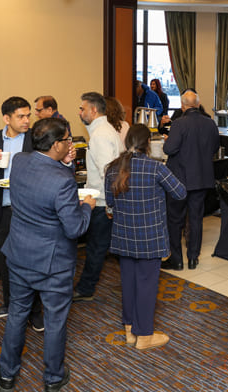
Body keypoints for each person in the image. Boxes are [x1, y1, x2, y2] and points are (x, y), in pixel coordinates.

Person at [0, 118, 94, 392]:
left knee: (17, 314)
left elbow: (43, 184)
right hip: (53, 263)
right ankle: (53, 379)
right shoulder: (62, 181)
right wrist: (87, 207)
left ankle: (7, 373)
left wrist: (66, 165)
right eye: (67, 140)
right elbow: (75, 228)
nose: (70, 144)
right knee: (55, 320)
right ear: (56, 144)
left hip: (19, 254)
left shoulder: (20, 161)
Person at [106, 124, 186, 350]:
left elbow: (110, 203)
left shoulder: (113, 168)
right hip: (149, 237)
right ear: (148, 144)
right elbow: (180, 192)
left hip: (123, 236)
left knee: (128, 283)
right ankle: (144, 336)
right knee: (147, 285)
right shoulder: (156, 167)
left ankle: (129, 330)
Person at [0, 96, 41, 327]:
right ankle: (10, 304)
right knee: (5, 262)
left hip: (28, 212)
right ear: (6, 118)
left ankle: (35, 311)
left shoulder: (34, 138)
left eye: (28, 115)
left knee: (30, 263)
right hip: (1, 211)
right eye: (21, 116)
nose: (26, 120)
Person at [73, 92, 124, 301]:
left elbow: (108, 173)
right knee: (107, 246)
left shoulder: (100, 135)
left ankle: (86, 288)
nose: (79, 112)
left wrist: (110, 206)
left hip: (103, 202)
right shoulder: (105, 130)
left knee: (96, 247)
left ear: (93, 110)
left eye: (82, 108)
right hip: (106, 200)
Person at [162, 91, 220, 270]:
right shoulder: (210, 123)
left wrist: (168, 140)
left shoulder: (179, 123)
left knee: (175, 219)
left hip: (179, 179)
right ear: (198, 104)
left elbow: (169, 149)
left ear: (182, 106)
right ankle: (193, 257)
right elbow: (215, 147)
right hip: (201, 178)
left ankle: (177, 260)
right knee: (195, 219)